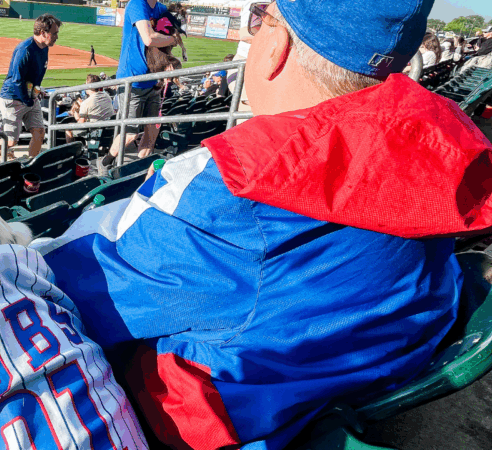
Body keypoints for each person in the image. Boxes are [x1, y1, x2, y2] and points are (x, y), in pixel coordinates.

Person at [33, 1, 492, 448]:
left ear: (279, 46)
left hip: (213, 421)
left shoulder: (231, 189)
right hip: (357, 382)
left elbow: (50, 284)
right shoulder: (441, 150)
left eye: (260, 16)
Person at [99, 0, 177, 173]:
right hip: (131, 81)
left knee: (153, 129)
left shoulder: (161, 8)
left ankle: (139, 169)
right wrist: (173, 39)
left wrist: (167, 62)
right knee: (131, 133)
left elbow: (165, 39)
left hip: (153, 81)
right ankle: (105, 162)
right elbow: (149, 38)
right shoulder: (136, 4)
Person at [0, 14, 62, 164]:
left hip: (29, 97)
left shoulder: (44, 48)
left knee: (39, 132)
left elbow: (34, 76)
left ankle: (31, 163)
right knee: (11, 141)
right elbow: (17, 80)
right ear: (43, 33)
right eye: (54, 33)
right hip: (13, 98)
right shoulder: (25, 49)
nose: (56, 37)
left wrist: (36, 91)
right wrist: (26, 99)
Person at [66, 74, 115, 143]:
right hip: (108, 132)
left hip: (94, 132)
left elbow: (81, 124)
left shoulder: (86, 103)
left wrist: (76, 116)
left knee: (68, 128)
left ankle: (71, 151)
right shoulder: (107, 96)